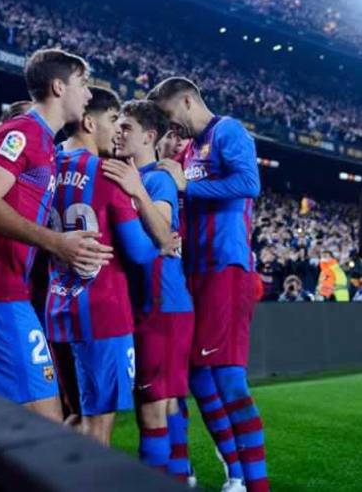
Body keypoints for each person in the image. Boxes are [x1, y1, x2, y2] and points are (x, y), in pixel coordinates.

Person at [0, 48, 112, 420]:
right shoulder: (22, 131)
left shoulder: (45, 143)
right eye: (82, 84)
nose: (87, 95)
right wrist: (56, 243)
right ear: (57, 86)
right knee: (44, 424)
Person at [150, 77, 268, 492]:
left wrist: (187, 184)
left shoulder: (228, 131)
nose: (171, 125)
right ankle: (235, 472)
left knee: (229, 378)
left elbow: (249, 183)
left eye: (169, 115)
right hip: (194, 270)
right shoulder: (187, 149)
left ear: (186, 100)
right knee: (198, 377)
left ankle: (256, 483)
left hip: (226, 264)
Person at [44, 87, 167, 446]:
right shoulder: (108, 174)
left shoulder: (48, 165)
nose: (117, 130)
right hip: (102, 313)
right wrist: (165, 241)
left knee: (73, 415)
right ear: (87, 121)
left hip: (56, 308)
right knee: (98, 428)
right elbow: (141, 253)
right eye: (113, 119)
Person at [106, 99, 195, 480]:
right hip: (164, 303)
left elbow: (162, 233)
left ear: (149, 136)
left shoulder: (155, 179)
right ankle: (181, 475)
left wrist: (135, 190)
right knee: (169, 402)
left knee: (151, 406)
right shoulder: (139, 175)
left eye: (126, 127)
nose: (118, 132)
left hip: (159, 302)